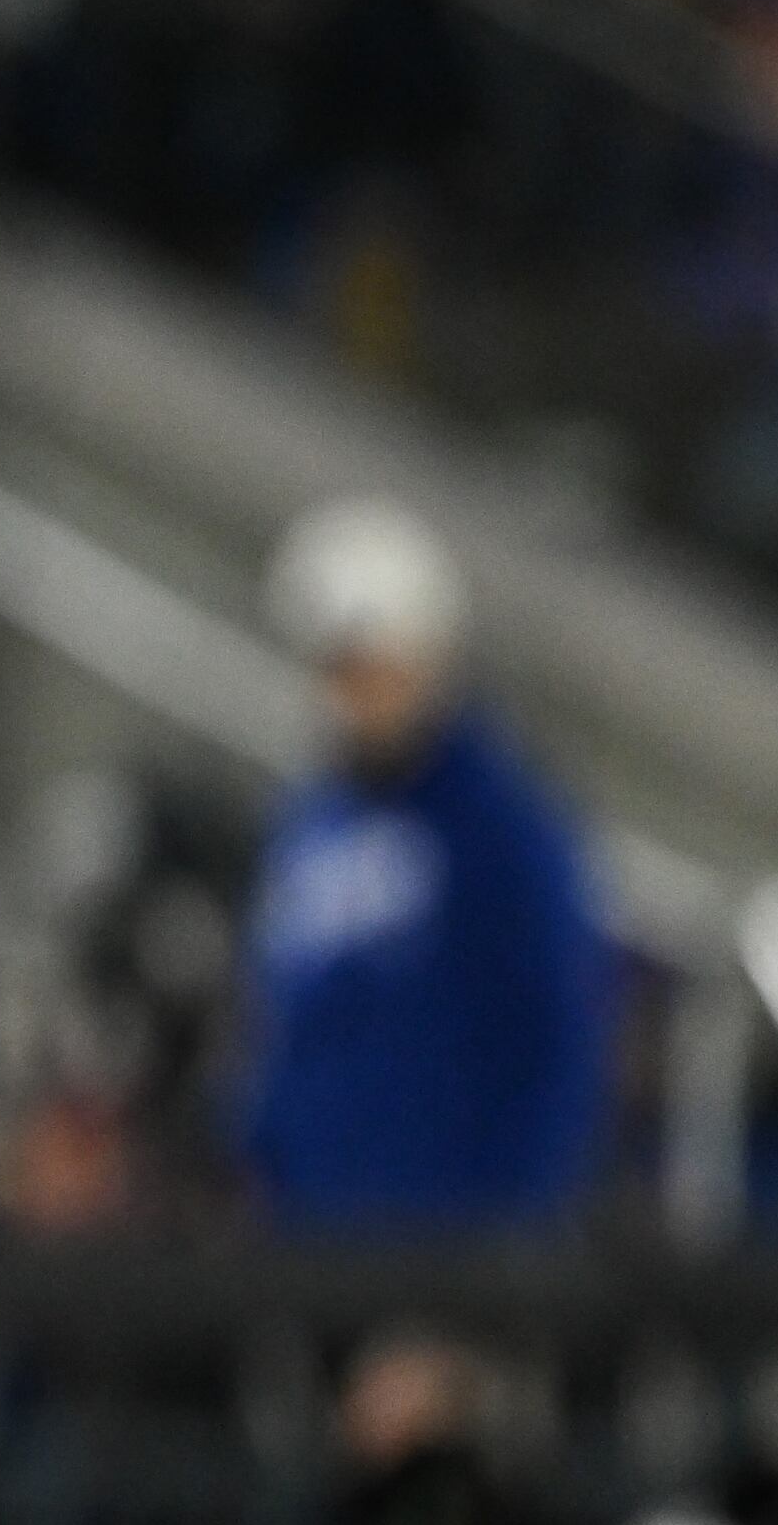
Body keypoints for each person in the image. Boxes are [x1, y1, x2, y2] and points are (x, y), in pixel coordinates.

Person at [238, 498, 611, 1230]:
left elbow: (559, 1038)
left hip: (440, 1261)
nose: (354, 696)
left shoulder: (504, 828)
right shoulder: (311, 823)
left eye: (372, 666)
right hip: (308, 1249)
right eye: (337, 668)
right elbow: (285, 1029)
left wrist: (488, 1278)